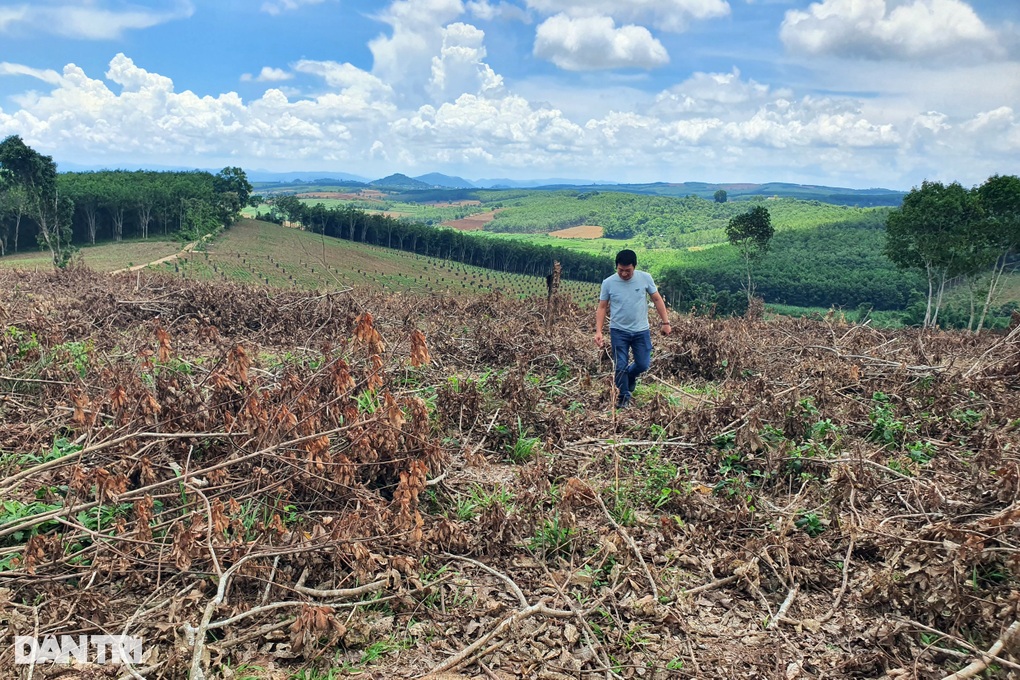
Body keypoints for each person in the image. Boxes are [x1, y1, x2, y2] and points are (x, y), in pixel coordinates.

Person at [594, 249, 671, 409]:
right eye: (620, 270)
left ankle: (629, 376)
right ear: (616, 267)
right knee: (620, 365)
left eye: (627, 271)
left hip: (641, 331)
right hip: (618, 331)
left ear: (634, 267)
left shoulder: (645, 278)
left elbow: (656, 299)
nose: (623, 274)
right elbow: (602, 307)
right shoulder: (608, 283)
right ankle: (623, 397)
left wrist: (666, 322)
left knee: (643, 364)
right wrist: (599, 331)